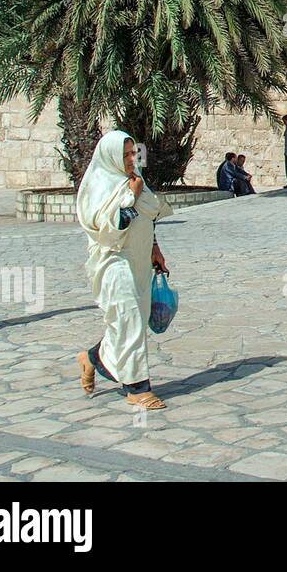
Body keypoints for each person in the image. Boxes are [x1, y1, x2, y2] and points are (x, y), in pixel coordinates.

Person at [74, 131, 172, 411]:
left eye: (133, 153)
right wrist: (131, 197)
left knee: (131, 321)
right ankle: (137, 388)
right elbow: (108, 230)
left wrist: (155, 248)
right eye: (126, 154)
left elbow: (149, 217)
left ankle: (93, 358)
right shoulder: (99, 187)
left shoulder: (137, 180)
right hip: (113, 262)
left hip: (139, 260)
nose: (132, 159)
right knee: (129, 318)